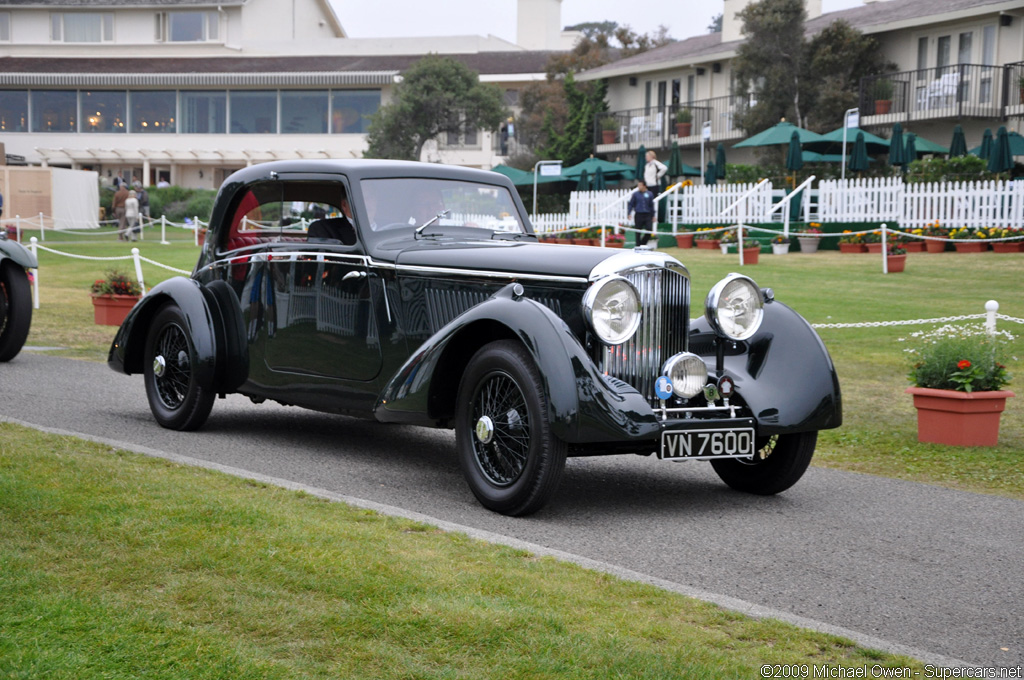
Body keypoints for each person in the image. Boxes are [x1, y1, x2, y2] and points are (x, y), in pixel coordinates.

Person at [626, 180, 656, 246]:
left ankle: (643, 243)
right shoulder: (635, 194)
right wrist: (629, 213)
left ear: (644, 186)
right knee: (638, 230)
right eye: (638, 185)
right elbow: (631, 204)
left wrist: (653, 215)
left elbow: (651, 205)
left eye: (640, 185)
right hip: (639, 214)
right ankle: (638, 245)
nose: (639, 187)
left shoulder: (649, 194)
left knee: (649, 229)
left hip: (647, 214)